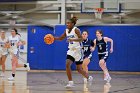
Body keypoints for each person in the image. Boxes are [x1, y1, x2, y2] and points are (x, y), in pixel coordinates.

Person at [54, 17, 93, 87]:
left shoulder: (76, 30)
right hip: (71, 50)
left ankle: (88, 77)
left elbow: (81, 39)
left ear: (72, 24)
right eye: (66, 23)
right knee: (67, 64)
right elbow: (61, 38)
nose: (67, 24)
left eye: (68, 23)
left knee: (79, 69)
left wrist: (72, 39)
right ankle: (70, 82)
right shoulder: (66, 31)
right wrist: (53, 38)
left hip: (78, 51)